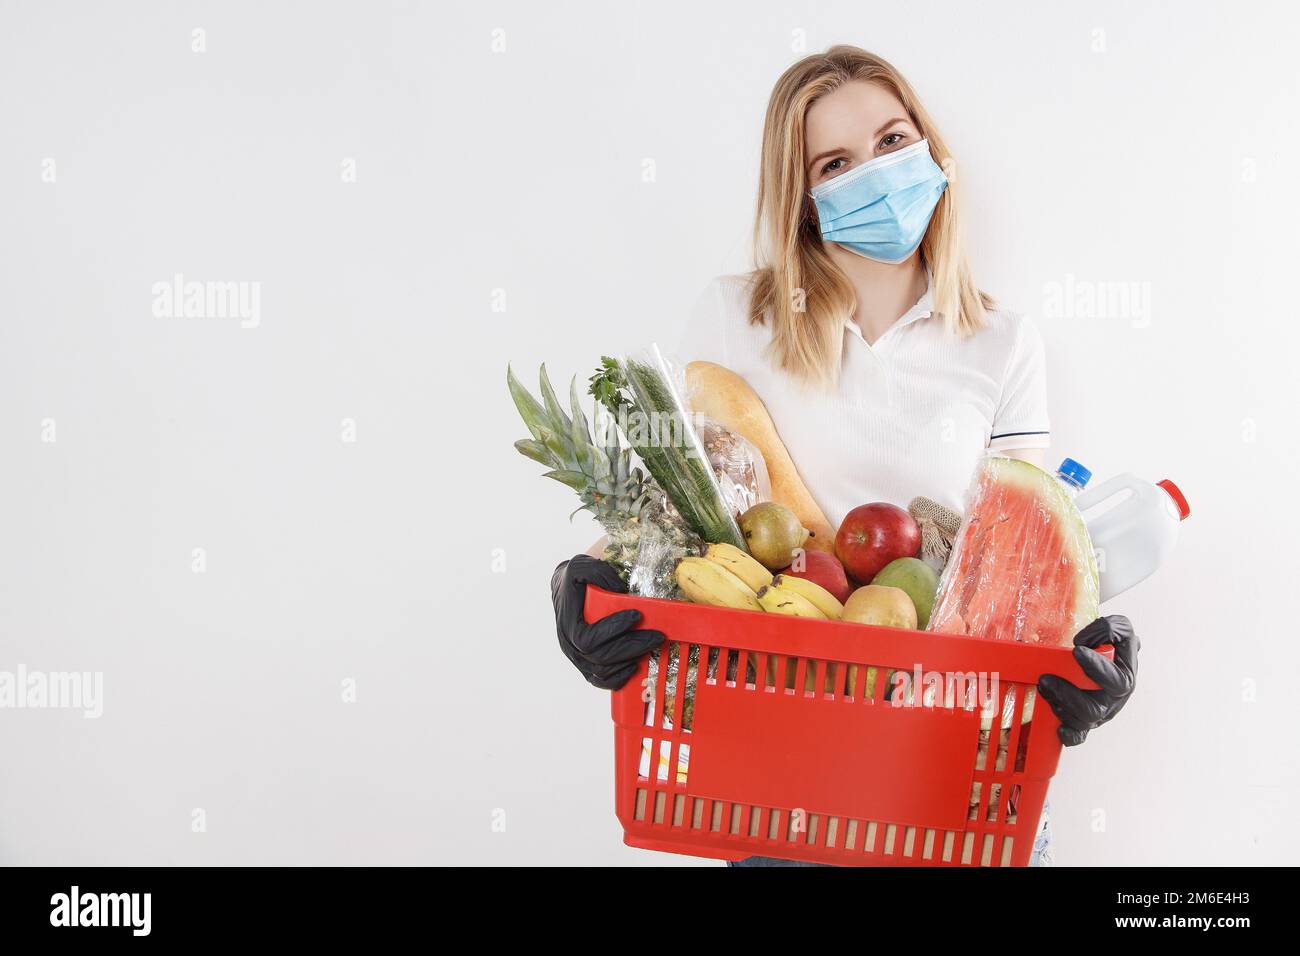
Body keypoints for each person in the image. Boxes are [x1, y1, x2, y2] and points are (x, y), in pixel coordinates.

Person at [551, 46, 1138, 866]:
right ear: (805, 198)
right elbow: (670, 506)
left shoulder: (1003, 345)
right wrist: (587, 588)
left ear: (933, 151)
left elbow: (1021, 558)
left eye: (894, 141)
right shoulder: (735, 319)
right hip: (783, 769)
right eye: (836, 163)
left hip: (953, 769)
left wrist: (1084, 659)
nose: (877, 174)